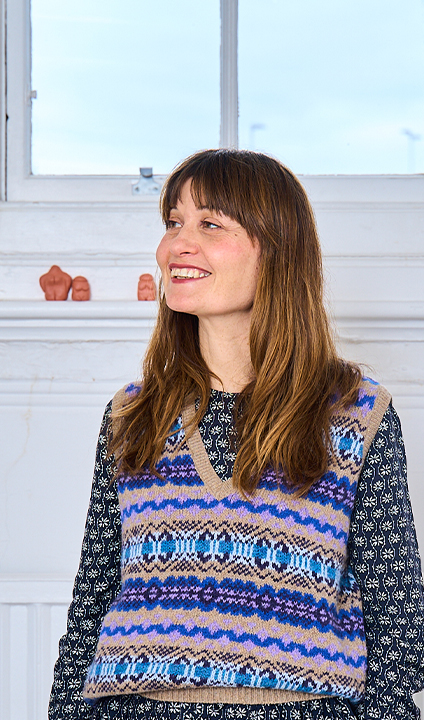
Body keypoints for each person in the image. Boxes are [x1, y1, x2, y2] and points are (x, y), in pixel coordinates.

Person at [49, 149, 424, 720]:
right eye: (173, 223)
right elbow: (93, 604)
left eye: (210, 224)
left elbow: (396, 629)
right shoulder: (132, 417)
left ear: (275, 251)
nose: (179, 244)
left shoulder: (356, 416)